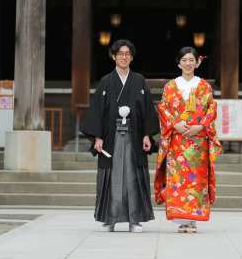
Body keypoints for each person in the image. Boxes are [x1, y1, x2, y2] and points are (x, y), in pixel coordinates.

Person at [80, 39, 159, 232]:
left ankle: (135, 220)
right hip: (111, 137)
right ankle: (110, 218)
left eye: (127, 54)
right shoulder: (106, 81)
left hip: (134, 134)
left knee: (133, 177)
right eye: (120, 54)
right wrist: (97, 137)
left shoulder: (139, 80)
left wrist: (147, 135)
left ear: (131, 57)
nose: (124, 57)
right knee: (112, 177)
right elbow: (97, 110)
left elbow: (148, 110)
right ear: (113, 56)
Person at [154, 46, 222, 233]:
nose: (188, 63)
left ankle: (193, 219)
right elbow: (164, 108)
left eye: (191, 60)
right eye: (184, 60)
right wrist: (175, 124)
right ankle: (181, 219)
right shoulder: (170, 86)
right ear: (179, 63)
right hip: (178, 140)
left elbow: (211, 109)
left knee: (197, 180)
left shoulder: (204, 86)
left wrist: (200, 127)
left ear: (197, 62)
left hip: (198, 141)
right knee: (178, 179)